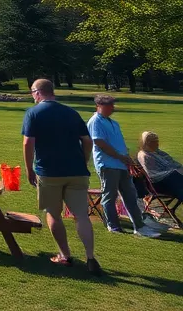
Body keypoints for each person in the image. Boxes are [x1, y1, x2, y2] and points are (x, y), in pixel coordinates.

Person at [22, 78, 100, 271]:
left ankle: (64, 255)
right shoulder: (71, 112)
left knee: (53, 214)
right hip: (77, 171)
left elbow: (27, 143)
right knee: (81, 215)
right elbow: (87, 140)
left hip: (49, 172)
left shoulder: (33, 113)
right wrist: (84, 159)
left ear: (38, 93)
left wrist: (29, 169)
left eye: (32, 92)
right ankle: (90, 257)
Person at [88, 94, 165, 236]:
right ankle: (114, 226)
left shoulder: (114, 123)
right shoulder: (95, 121)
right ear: (99, 106)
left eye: (112, 105)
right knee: (109, 196)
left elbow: (120, 144)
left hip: (121, 164)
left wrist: (128, 159)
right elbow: (100, 143)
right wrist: (119, 156)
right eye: (108, 105)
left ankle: (139, 227)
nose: (112, 108)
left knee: (130, 195)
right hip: (108, 164)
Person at [138, 132, 183, 201]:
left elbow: (172, 162)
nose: (157, 143)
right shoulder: (145, 155)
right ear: (147, 143)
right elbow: (154, 174)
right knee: (175, 175)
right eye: (154, 141)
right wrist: (176, 170)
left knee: (177, 174)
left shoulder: (158, 152)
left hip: (168, 180)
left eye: (157, 141)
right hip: (158, 184)